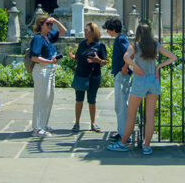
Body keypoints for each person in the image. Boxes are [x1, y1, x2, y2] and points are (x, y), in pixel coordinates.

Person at [107, 22, 176, 155]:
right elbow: (173, 57)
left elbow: (126, 57)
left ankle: (123, 143)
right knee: (150, 115)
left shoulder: (136, 47)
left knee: (131, 115)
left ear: (138, 33)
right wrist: (158, 67)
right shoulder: (156, 45)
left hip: (140, 81)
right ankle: (147, 146)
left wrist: (135, 66)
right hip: (153, 80)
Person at [29, 15, 67, 137]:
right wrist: (50, 61)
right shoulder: (38, 38)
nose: (50, 26)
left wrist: (55, 20)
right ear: (41, 25)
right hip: (41, 70)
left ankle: (43, 124)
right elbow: (34, 57)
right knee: (41, 98)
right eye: (48, 24)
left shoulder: (49, 37)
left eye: (50, 24)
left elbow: (63, 31)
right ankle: (37, 127)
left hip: (50, 70)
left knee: (49, 97)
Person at [67, 22, 107, 133]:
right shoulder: (82, 44)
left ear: (93, 32)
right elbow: (79, 57)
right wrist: (73, 57)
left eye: (87, 30)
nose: (84, 32)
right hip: (81, 75)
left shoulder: (100, 45)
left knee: (92, 100)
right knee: (79, 99)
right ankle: (77, 123)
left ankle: (93, 123)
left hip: (93, 76)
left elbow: (104, 62)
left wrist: (98, 60)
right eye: (85, 30)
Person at [103, 17, 131, 142]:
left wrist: (125, 66)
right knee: (120, 105)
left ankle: (124, 134)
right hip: (119, 74)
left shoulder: (121, 39)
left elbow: (131, 51)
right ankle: (122, 131)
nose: (107, 32)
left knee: (122, 105)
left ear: (113, 29)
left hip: (122, 74)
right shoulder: (119, 39)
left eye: (108, 29)